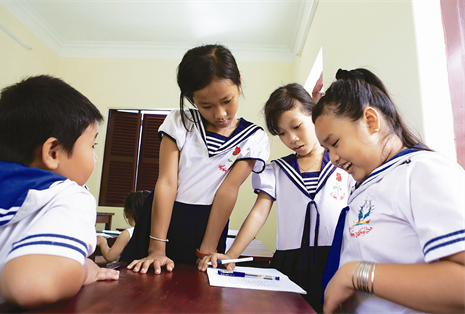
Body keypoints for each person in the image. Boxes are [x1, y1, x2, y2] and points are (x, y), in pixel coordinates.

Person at [312, 68, 465, 313]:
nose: (332, 159)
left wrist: (357, 274)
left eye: (335, 143)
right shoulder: (369, 186)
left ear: (370, 121)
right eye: (326, 149)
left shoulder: (423, 171)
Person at [198, 83, 351, 313]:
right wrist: (231, 255)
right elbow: (259, 212)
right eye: (282, 133)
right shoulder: (277, 171)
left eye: (297, 126)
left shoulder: (344, 164)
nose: (292, 138)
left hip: (336, 259)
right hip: (290, 262)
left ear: (314, 115)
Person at [121, 44, 270, 274]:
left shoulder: (254, 138)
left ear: (239, 84)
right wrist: (157, 247)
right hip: (162, 218)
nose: (220, 113)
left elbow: (227, 191)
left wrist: (207, 248)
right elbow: (167, 182)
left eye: (227, 100)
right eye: (206, 106)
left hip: (209, 222)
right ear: (192, 99)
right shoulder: (179, 121)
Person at [0, 75, 119, 312]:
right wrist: (85, 269)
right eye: (92, 146)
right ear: (52, 152)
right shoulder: (67, 195)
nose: (94, 156)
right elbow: (32, 286)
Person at [97, 190, 151, 263]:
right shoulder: (154, 232)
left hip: (127, 271)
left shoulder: (127, 234)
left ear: (126, 213)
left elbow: (110, 257)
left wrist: (102, 242)